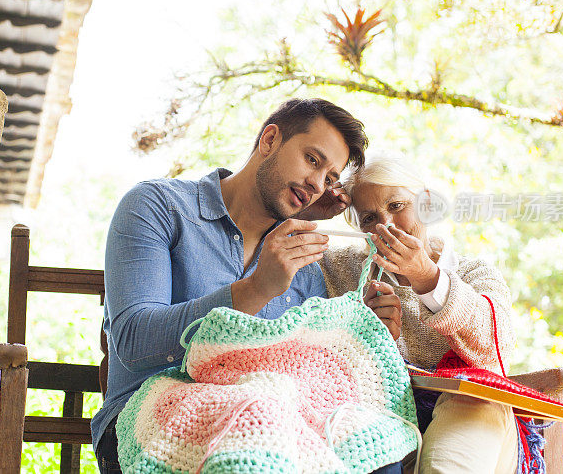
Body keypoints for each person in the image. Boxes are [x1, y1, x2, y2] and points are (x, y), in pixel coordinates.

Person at [91, 98, 404, 473]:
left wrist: (362, 331)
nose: (317, 183)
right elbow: (132, 341)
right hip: (145, 424)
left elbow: (305, 371)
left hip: (268, 425)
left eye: (329, 179)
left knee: (370, 443)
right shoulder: (158, 207)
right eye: (313, 160)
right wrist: (257, 288)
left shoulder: (304, 263)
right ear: (269, 140)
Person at [319, 155, 518, 474]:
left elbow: (497, 346)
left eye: (396, 206)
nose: (386, 225)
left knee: (468, 399)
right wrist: (365, 335)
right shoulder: (339, 269)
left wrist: (427, 277)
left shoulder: (474, 274)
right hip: (383, 432)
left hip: (471, 418)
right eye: (369, 218)